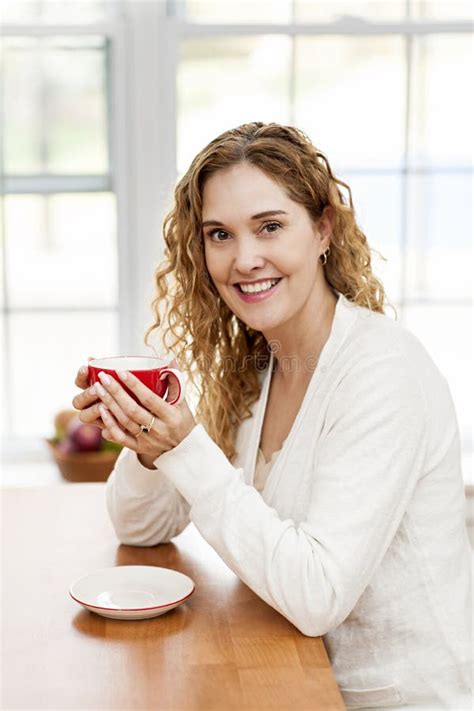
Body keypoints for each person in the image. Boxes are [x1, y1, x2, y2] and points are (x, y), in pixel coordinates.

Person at [73, 122, 472, 710]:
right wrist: (148, 445)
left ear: (323, 229)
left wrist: (187, 449)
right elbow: (140, 528)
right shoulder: (255, 365)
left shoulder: (383, 371)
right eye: (219, 234)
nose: (244, 259)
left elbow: (318, 596)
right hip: (290, 681)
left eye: (270, 226)